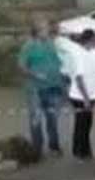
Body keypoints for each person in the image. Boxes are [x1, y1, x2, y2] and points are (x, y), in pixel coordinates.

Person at [18, 17, 66, 156]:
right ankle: (37, 148)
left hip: (53, 86)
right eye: (45, 29)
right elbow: (21, 66)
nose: (48, 31)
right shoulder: (29, 46)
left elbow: (60, 62)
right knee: (36, 119)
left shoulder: (52, 44)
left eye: (47, 28)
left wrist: (62, 81)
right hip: (36, 88)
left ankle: (54, 146)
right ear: (37, 31)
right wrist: (35, 74)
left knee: (52, 118)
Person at [58, 29, 95, 161]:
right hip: (81, 96)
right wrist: (86, 98)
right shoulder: (80, 55)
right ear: (90, 40)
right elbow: (79, 78)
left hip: (88, 95)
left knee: (86, 124)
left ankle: (85, 151)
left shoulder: (86, 53)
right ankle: (80, 152)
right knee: (82, 125)